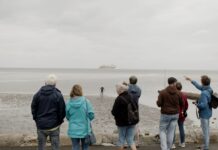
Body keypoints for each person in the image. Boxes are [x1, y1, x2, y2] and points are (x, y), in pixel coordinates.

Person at [31, 74, 66, 150]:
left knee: (41, 147)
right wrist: (59, 121)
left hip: (41, 125)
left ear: (45, 83)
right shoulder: (58, 95)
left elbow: (33, 109)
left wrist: (37, 120)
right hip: (54, 126)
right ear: (55, 84)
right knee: (55, 147)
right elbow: (62, 111)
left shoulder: (37, 94)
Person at [185, 75, 212, 150]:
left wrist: (197, 104)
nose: (200, 83)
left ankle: (206, 147)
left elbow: (203, 105)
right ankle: (205, 145)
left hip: (204, 114)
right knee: (207, 130)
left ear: (203, 82)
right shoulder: (209, 89)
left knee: (205, 131)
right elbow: (199, 86)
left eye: (201, 81)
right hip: (209, 112)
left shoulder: (204, 93)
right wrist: (191, 80)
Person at [156, 77, 183, 150]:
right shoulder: (179, 93)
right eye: (176, 82)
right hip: (175, 114)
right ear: (174, 83)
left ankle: (164, 148)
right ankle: (168, 148)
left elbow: (159, 104)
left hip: (165, 114)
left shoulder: (162, 92)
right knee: (171, 132)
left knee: (162, 131)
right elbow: (182, 104)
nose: (176, 83)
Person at [66, 84, 95, 150]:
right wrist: (87, 119)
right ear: (80, 91)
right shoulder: (86, 101)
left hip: (73, 129)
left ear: (72, 91)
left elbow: (67, 117)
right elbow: (91, 115)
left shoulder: (68, 102)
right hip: (85, 129)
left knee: (75, 147)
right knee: (85, 147)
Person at [111, 83, 138, 150]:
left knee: (121, 139)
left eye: (117, 90)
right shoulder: (132, 96)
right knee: (130, 139)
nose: (116, 91)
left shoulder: (119, 99)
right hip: (132, 121)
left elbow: (114, 112)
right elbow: (136, 108)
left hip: (122, 123)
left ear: (120, 90)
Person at [171, 82, 189, 149]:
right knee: (181, 128)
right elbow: (186, 105)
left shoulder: (173, 95)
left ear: (175, 88)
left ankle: (172, 144)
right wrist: (184, 110)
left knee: (173, 129)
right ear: (181, 88)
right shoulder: (184, 95)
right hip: (181, 114)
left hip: (174, 114)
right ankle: (183, 143)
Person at [128, 75, 141, 147]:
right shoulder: (139, 89)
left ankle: (127, 142)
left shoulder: (127, 88)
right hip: (136, 108)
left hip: (128, 108)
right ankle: (136, 142)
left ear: (129, 81)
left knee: (127, 125)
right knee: (135, 125)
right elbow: (138, 96)